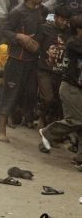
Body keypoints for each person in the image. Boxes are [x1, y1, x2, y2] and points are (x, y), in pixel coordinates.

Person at [0, 0, 45, 143]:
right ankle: (1, 130)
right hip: (17, 59)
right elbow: (4, 29)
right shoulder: (17, 11)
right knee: (10, 93)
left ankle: (24, 118)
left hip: (33, 59)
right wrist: (19, 36)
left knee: (31, 92)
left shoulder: (41, 11)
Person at [39, 14, 82, 153]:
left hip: (76, 88)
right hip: (71, 88)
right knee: (75, 120)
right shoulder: (73, 43)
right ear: (79, 30)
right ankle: (47, 133)